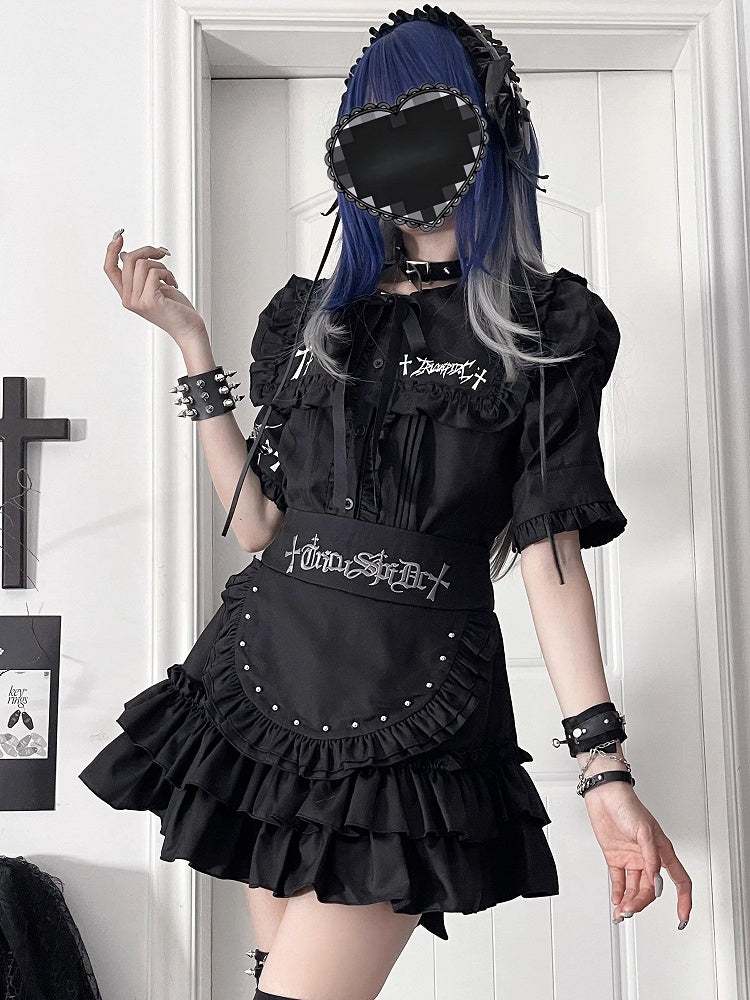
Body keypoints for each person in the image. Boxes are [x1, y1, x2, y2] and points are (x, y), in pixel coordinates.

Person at [82, 9, 692, 1000]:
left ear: (488, 130)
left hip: (413, 708)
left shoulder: (550, 325)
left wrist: (602, 767)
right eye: (373, 121)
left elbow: (551, 553)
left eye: (424, 116)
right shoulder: (311, 318)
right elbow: (259, 527)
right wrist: (193, 345)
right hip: (262, 688)